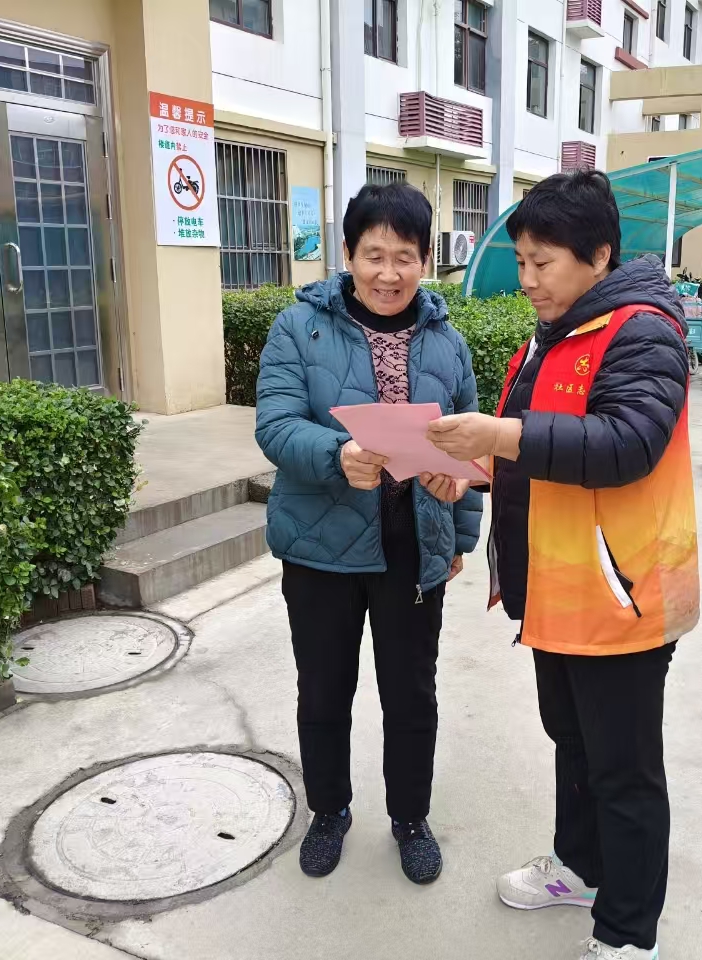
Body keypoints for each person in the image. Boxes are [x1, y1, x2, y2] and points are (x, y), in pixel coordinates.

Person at [427, 170, 698, 960]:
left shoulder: (642, 332)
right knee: (573, 742)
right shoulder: (552, 337)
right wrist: (472, 470)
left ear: (599, 255)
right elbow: (536, 450)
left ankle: (628, 933)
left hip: (622, 593)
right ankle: (581, 868)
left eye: (543, 262)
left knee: (624, 768)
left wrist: (500, 437)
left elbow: (626, 444)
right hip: (558, 589)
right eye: (521, 260)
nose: (528, 279)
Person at [255, 182, 483, 885]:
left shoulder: (447, 341)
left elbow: (470, 445)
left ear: (425, 261)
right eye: (374, 255)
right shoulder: (299, 327)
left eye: (404, 257)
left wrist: (459, 534)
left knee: (411, 696)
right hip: (320, 546)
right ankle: (329, 811)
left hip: (413, 547)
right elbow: (275, 423)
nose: (389, 273)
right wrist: (337, 455)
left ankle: (411, 818)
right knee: (325, 691)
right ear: (348, 254)